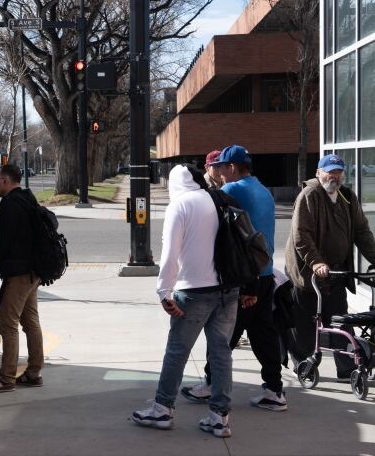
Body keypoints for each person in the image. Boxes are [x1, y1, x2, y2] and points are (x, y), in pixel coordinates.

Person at [132, 164, 238, 438]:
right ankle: (219, 417)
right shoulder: (218, 198)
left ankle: (162, 409)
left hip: (193, 291)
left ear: (174, 185)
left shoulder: (179, 206)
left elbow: (170, 253)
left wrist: (164, 291)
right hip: (227, 289)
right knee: (221, 352)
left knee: (177, 351)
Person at [181, 145, 287, 412]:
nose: (218, 173)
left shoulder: (232, 190)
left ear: (231, 168)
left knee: (222, 334)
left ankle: (210, 384)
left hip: (243, 277)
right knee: (264, 334)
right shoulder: (263, 190)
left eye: (221, 168)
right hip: (265, 273)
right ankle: (274, 390)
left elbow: (205, 209)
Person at [285, 154, 375, 378]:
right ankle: (304, 366)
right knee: (305, 324)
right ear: (318, 172)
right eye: (329, 172)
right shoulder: (310, 194)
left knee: (339, 322)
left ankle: (347, 369)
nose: (333, 176)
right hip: (309, 274)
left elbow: (362, 232)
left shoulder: (347, 196)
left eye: (337, 172)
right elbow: (301, 235)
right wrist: (316, 262)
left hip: (336, 272)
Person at [0, 164, 44, 393]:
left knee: (8, 324)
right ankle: (34, 372)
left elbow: (4, 242)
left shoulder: (8, 205)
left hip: (19, 273)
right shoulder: (28, 198)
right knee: (30, 322)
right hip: (34, 271)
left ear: (6, 181)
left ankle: (6, 378)